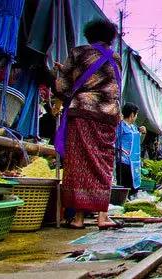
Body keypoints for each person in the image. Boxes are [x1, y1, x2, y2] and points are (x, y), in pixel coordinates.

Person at [54, 19, 123, 230]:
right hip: (108, 115)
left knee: (78, 163)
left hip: (82, 112)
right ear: (111, 38)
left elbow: (62, 87)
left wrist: (62, 73)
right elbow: (114, 86)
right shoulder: (116, 58)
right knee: (103, 162)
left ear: (89, 35)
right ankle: (103, 217)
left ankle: (78, 219)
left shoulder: (78, 53)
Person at [116, 102, 146, 197]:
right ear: (132, 114)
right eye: (136, 114)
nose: (136, 116)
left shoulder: (133, 127)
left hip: (134, 163)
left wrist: (142, 132)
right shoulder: (120, 126)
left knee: (133, 187)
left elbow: (135, 141)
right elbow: (114, 141)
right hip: (123, 162)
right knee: (125, 186)